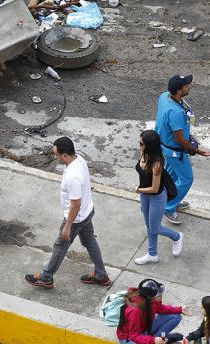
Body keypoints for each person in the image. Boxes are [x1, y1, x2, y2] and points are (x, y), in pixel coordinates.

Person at [25, 137, 111, 289]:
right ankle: (101, 275)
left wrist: (67, 227)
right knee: (90, 241)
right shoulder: (80, 160)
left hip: (77, 217)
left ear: (64, 155)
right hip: (87, 211)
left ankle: (46, 277)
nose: (55, 157)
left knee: (60, 246)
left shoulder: (73, 177)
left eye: (56, 154)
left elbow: (75, 204)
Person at [155, 74, 210, 225]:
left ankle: (169, 199)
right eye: (187, 85)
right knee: (186, 179)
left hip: (165, 145)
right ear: (179, 91)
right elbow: (179, 139)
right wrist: (196, 150)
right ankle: (169, 208)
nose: (189, 86)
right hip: (175, 151)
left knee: (172, 178)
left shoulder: (165, 96)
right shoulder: (177, 112)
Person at [133, 130, 183, 264]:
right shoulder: (144, 153)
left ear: (149, 145)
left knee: (155, 228)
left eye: (141, 144)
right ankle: (152, 254)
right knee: (149, 225)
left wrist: (139, 190)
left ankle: (177, 237)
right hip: (145, 196)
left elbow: (155, 188)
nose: (139, 146)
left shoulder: (157, 164)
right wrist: (142, 192)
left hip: (156, 197)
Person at [116, 279, 189, 344]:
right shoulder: (135, 310)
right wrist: (152, 340)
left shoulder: (151, 298)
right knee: (152, 340)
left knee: (176, 316)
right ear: (149, 297)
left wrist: (180, 309)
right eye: (158, 295)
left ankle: (162, 339)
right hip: (129, 338)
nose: (161, 296)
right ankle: (164, 339)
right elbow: (133, 336)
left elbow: (160, 309)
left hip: (146, 328)